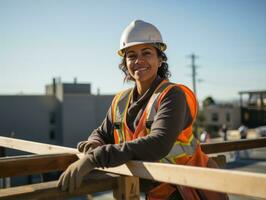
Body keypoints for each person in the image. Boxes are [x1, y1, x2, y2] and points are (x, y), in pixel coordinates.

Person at [57, 20, 228, 200]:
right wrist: (93, 144)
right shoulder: (121, 101)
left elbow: (159, 143)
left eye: (146, 53)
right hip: (150, 191)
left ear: (160, 59)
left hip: (187, 189)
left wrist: (95, 158)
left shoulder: (172, 95)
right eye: (131, 55)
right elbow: (102, 133)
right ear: (125, 63)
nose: (138, 61)